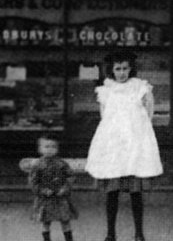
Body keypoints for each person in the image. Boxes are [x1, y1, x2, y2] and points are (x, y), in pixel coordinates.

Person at [85, 50, 163, 241]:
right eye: (118, 69)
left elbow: (149, 113)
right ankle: (111, 233)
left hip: (134, 143)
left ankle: (139, 233)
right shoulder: (106, 89)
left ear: (131, 69)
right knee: (112, 192)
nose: (122, 73)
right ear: (111, 70)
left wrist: (138, 133)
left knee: (136, 192)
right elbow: (105, 116)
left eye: (125, 68)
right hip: (114, 145)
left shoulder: (140, 87)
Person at [27, 134, 78, 241]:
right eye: (46, 147)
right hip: (45, 199)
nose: (50, 150)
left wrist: (65, 188)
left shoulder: (61, 164)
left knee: (65, 220)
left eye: (53, 147)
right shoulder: (37, 165)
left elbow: (71, 176)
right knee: (45, 222)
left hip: (60, 197)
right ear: (40, 149)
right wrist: (43, 190)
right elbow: (33, 182)